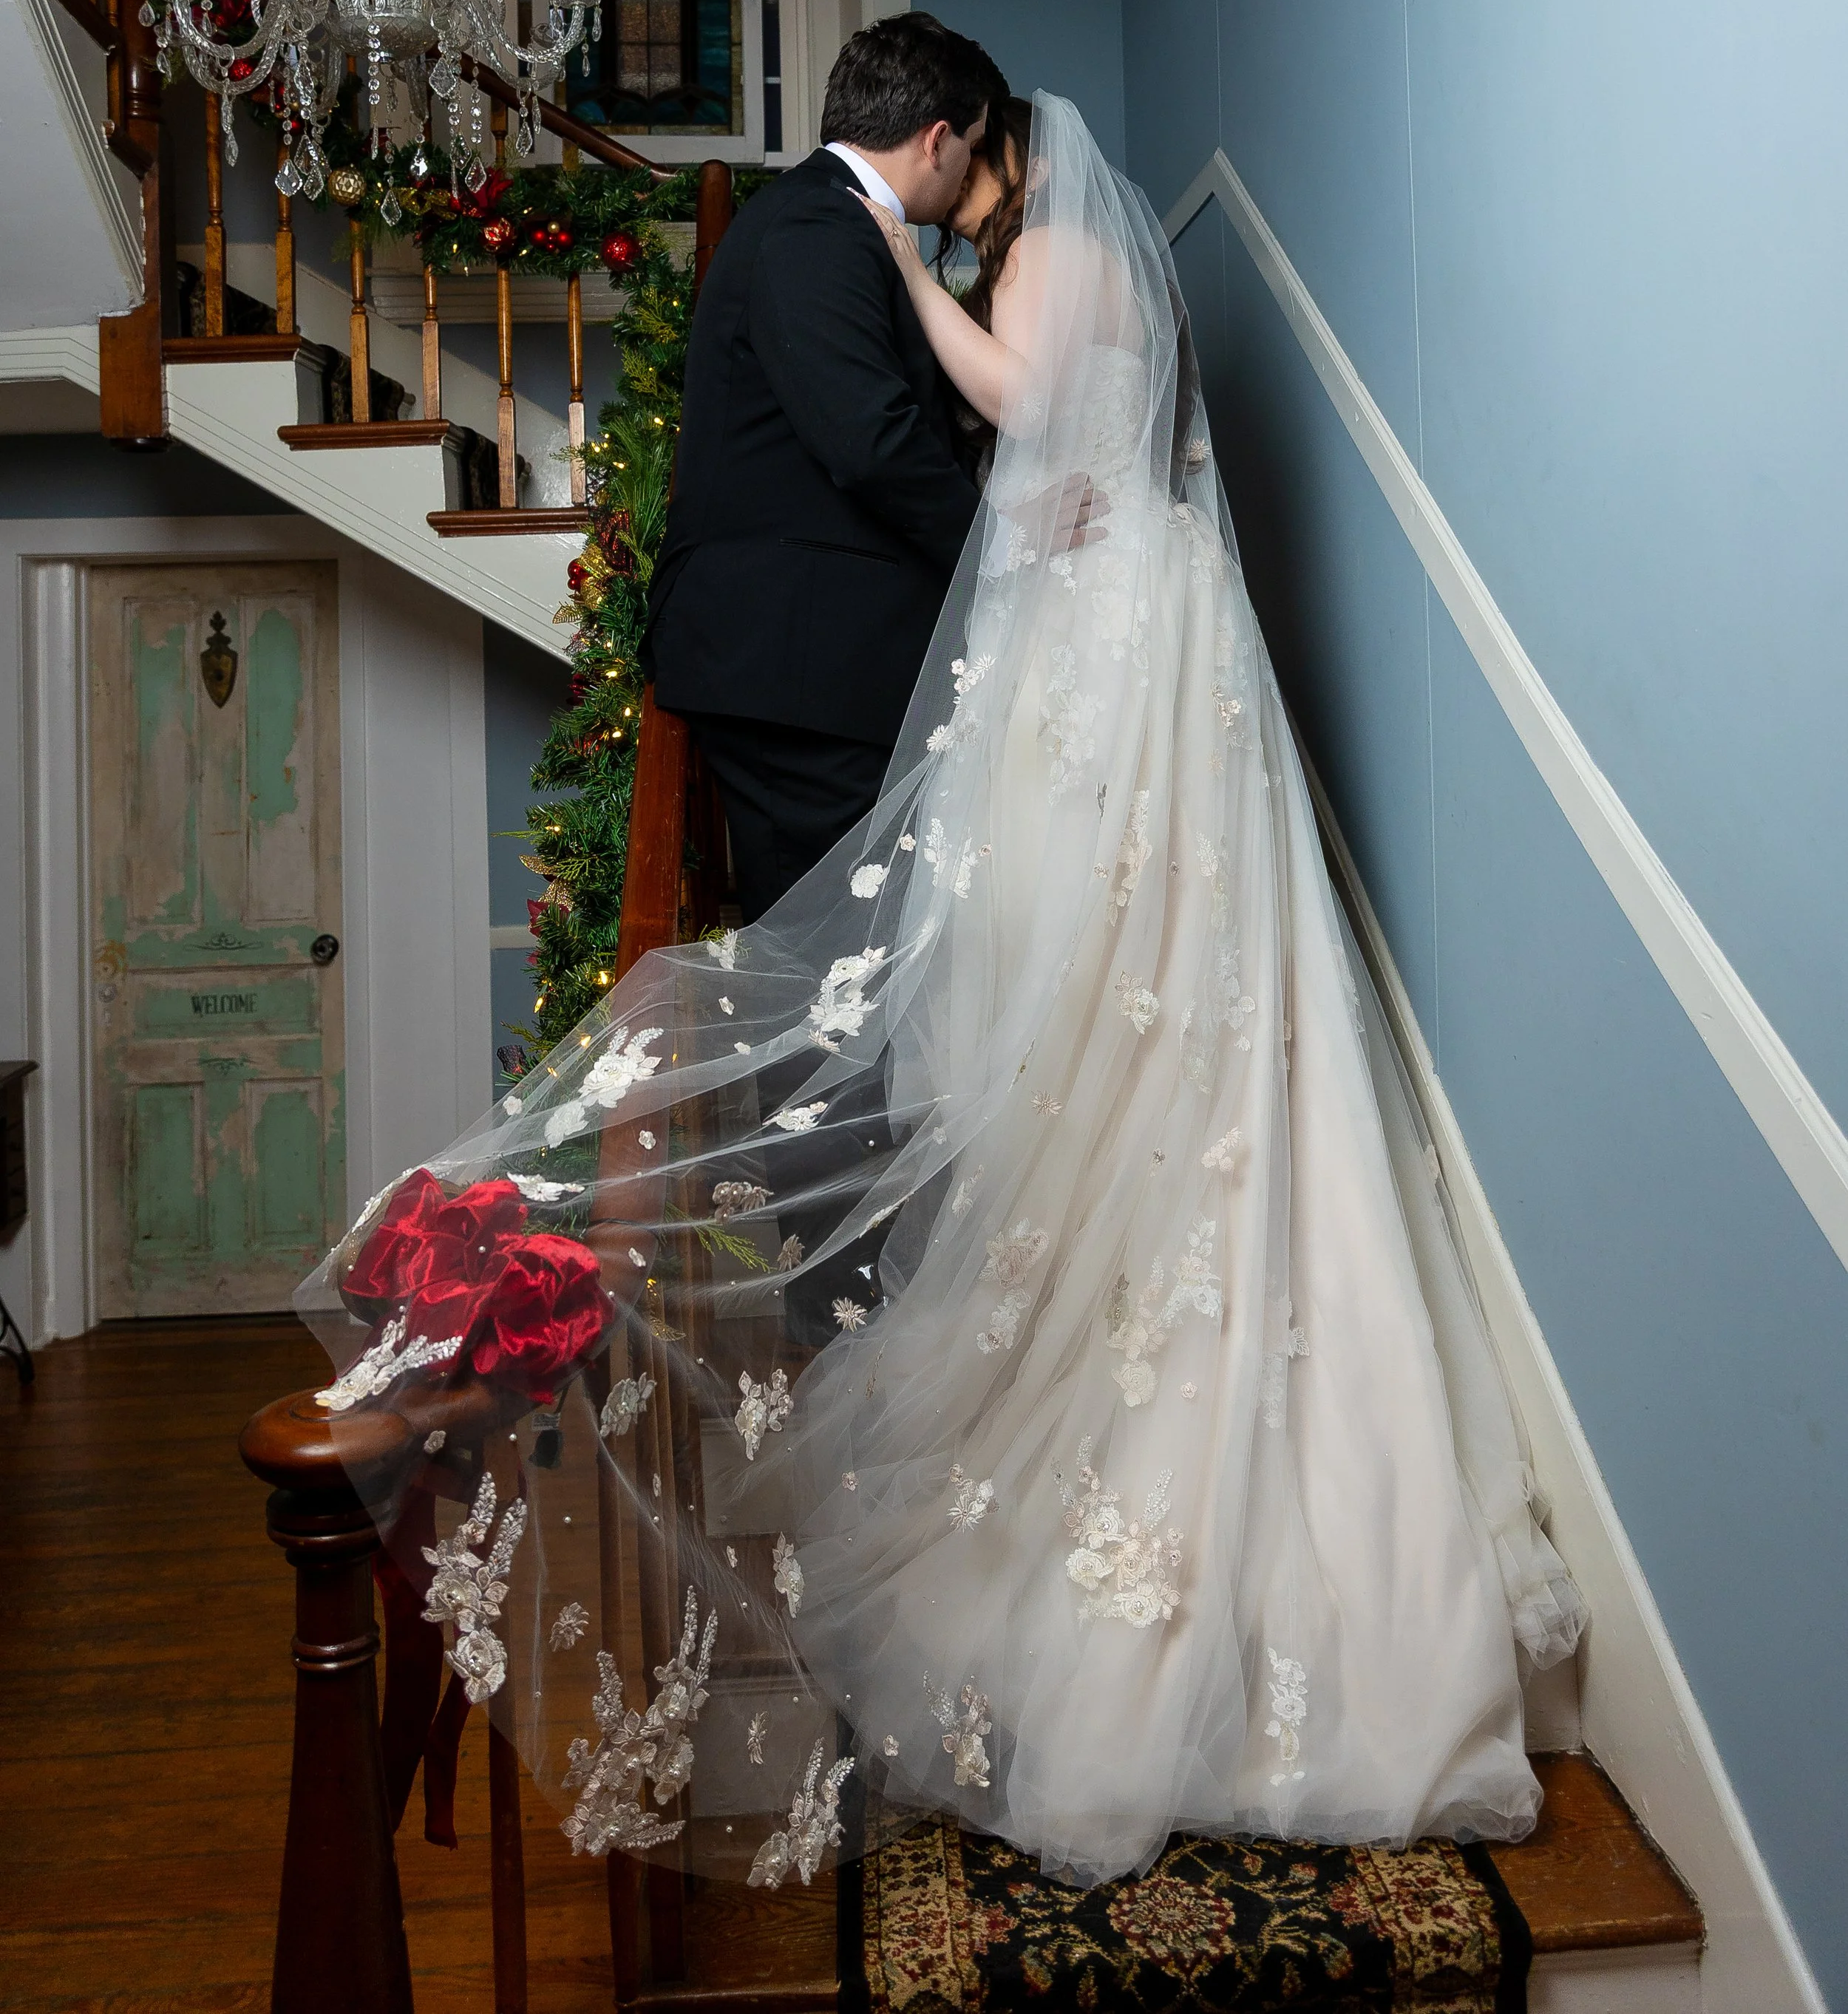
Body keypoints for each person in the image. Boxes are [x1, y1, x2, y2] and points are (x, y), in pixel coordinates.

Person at [304, 93, 1584, 1894]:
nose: (964, 220)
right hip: (1143, 625)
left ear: (989, 154)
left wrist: (913, 270)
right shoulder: (1080, 262)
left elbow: (1003, 403)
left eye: (966, 196)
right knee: (1122, 985)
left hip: (1109, 624)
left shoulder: (1044, 248)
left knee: (1084, 982)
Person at [642, 10, 997, 925]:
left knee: (858, 958)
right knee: (837, 968)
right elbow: (867, 440)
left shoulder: (826, 223)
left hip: (812, 663)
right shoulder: (816, 226)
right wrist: (1005, 546)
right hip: (797, 669)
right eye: (970, 154)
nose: (963, 184)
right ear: (936, 139)